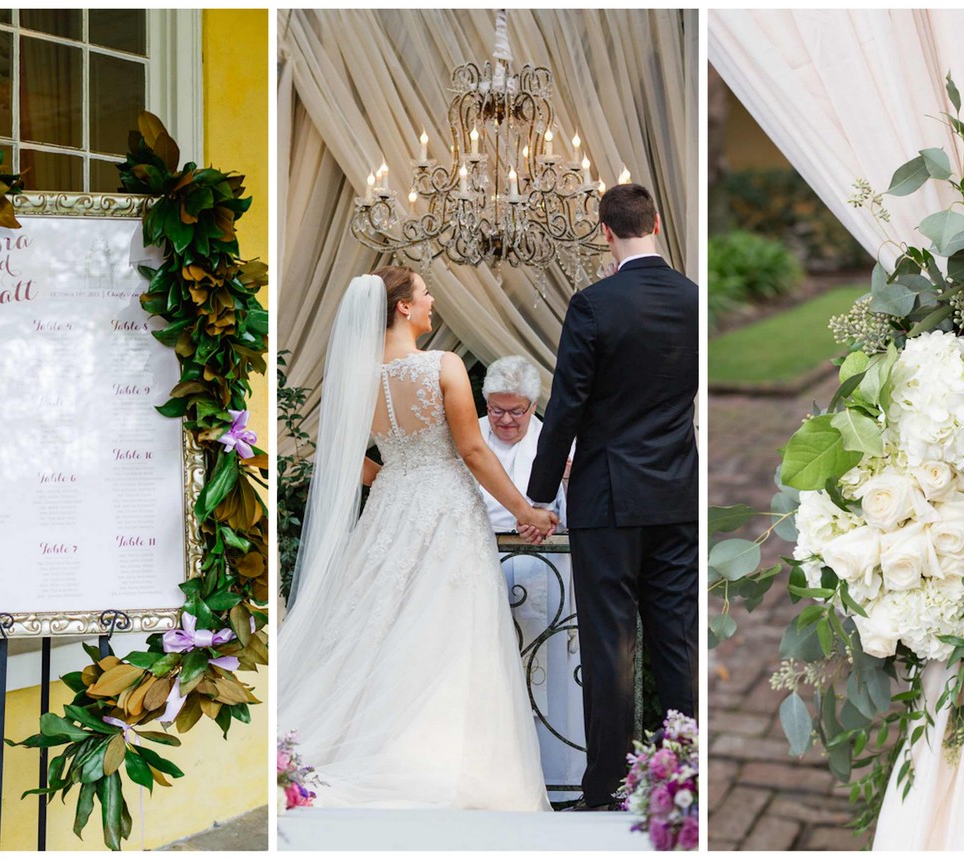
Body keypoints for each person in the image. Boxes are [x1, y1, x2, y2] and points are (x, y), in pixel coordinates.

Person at [278, 265, 557, 811]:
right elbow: (474, 453)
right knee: (450, 630)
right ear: (403, 307)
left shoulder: (354, 376)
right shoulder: (443, 366)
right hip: (447, 510)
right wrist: (526, 508)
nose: (433, 303)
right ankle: (442, 771)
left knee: (380, 629)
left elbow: (337, 454)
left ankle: (369, 748)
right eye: (426, 294)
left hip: (389, 510)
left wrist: (389, 477)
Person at [525, 183, 699, 811]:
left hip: (606, 496)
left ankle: (609, 788)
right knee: (676, 641)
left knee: (610, 644)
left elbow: (567, 404)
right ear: (655, 222)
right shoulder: (694, 301)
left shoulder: (594, 304)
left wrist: (539, 496)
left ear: (605, 233)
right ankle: (684, 782)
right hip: (679, 492)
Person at [475, 356, 585, 800]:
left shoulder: (556, 441)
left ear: (532, 405)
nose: (505, 420)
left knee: (541, 672)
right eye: (497, 409)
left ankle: (548, 778)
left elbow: (568, 502)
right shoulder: (470, 437)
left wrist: (548, 516)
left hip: (543, 568)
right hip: (479, 559)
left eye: (515, 411)